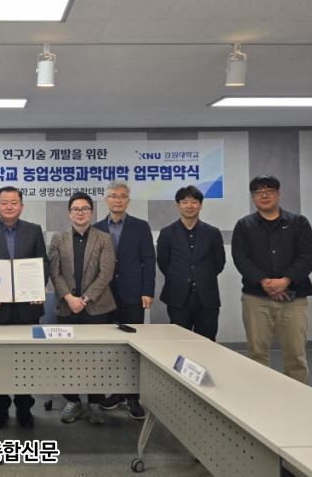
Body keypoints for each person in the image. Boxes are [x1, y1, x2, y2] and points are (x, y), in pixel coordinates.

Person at [0, 186, 49, 429]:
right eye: (4, 202)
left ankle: (25, 408)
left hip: (28, 308)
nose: (9, 206)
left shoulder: (34, 230)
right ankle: (1, 409)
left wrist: (38, 289)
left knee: (26, 361)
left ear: (22, 206)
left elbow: (43, 263)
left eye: (14, 202)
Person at [231, 175, 312, 384]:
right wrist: (264, 282)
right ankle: (260, 396)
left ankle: (297, 397)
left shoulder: (298, 222)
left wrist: (285, 281)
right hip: (256, 299)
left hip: (294, 298)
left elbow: (307, 256)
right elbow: (240, 258)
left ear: (278, 193)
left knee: (295, 355)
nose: (264, 195)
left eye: (269, 190)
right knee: (257, 354)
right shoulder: (244, 225)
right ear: (253, 197)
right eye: (258, 191)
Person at [49, 192, 116, 425]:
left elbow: (106, 273)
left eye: (85, 208)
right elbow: (54, 272)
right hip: (67, 307)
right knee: (68, 356)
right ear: (69, 213)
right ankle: (72, 400)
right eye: (76, 209)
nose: (80, 213)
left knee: (97, 356)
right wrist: (70, 298)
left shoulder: (104, 238)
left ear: (92, 212)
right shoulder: (58, 238)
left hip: (96, 307)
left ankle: (96, 402)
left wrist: (84, 299)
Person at [94, 180, 154, 420]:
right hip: (104, 294)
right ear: (106, 200)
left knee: (132, 345)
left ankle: (133, 397)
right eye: (113, 195)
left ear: (128, 200)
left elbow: (149, 259)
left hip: (133, 293)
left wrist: (147, 290)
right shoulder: (97, 227)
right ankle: (116, 392)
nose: (117, 200)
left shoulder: (141, 226)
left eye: (122, 196)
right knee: (110, 344)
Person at [157, 186, 226, 341]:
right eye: (185, 202)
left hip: (207, 297)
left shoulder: (212, 233)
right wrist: (181, 276)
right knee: (179, 342)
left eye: (194, 202)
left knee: (207, 342)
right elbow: (163, 263)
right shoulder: (167, 233)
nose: (190, 206)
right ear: (178, 205)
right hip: (178, 297)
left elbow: (219, 263)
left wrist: (201, 276)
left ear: (201, 205)